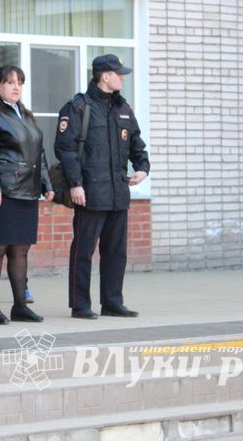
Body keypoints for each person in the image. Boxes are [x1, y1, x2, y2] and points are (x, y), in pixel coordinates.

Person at [54, 54, 150, 320]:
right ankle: (80, 304)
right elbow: (65, 149)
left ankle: (112, 302)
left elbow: (136, 143)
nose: (122, 77)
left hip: (118, 192)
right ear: (104, 76)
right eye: (118, 74)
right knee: (83, 250)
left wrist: (142, 167)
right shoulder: (78, 107)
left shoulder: (123, 107)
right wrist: (75, 184)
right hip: (90, 193)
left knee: (116, 252)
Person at [0, 65, 54, 324]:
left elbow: (38, 152)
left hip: (27, 192)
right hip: (2, 192)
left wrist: (46, 183)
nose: (16, 87)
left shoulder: (27, 117)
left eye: (20, 82)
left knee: (20, 249)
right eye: (10, 82)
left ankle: (20, 306)